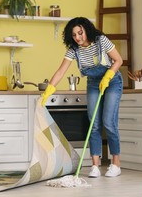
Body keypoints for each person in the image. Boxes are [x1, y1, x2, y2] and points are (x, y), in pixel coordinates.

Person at [41, 17, 123, 178]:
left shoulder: (101, 41)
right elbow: (60, 71)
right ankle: (95, 166)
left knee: (109, 122)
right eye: (74, 35)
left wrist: (108, 76)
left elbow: (118, 60)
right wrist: (49, 90)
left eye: (80, 33)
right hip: (93, 83)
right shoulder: (74, 50)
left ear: (87, 30)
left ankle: (116, 163)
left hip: (112, 81)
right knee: (94, 123)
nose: (78, 37)